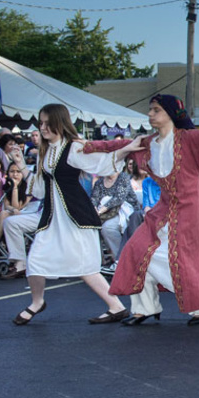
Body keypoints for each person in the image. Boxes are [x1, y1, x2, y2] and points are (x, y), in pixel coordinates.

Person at [83, 94, 199, 326]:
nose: (150, 114)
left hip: (191, 206)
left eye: (156, 109)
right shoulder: (146, 143)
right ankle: (145, 308)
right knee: (135, 250)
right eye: (150, 109)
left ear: (170, 113)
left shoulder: (190, 138)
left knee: (183, 258)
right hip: (164, 207)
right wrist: (84, 145)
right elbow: (115, 145)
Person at [12, 103, 133, 325]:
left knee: (86, 266)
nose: (43, 127)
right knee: (35, 259)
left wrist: (126, 149)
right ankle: (37, 302)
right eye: (41, 123)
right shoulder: (47, 152)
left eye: (48, 123)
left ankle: (116, 306)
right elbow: (39, 189)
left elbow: (104, 164)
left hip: (75, 216)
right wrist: (21, 165)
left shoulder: (74, 148)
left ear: (60, 122)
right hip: (52, 217)